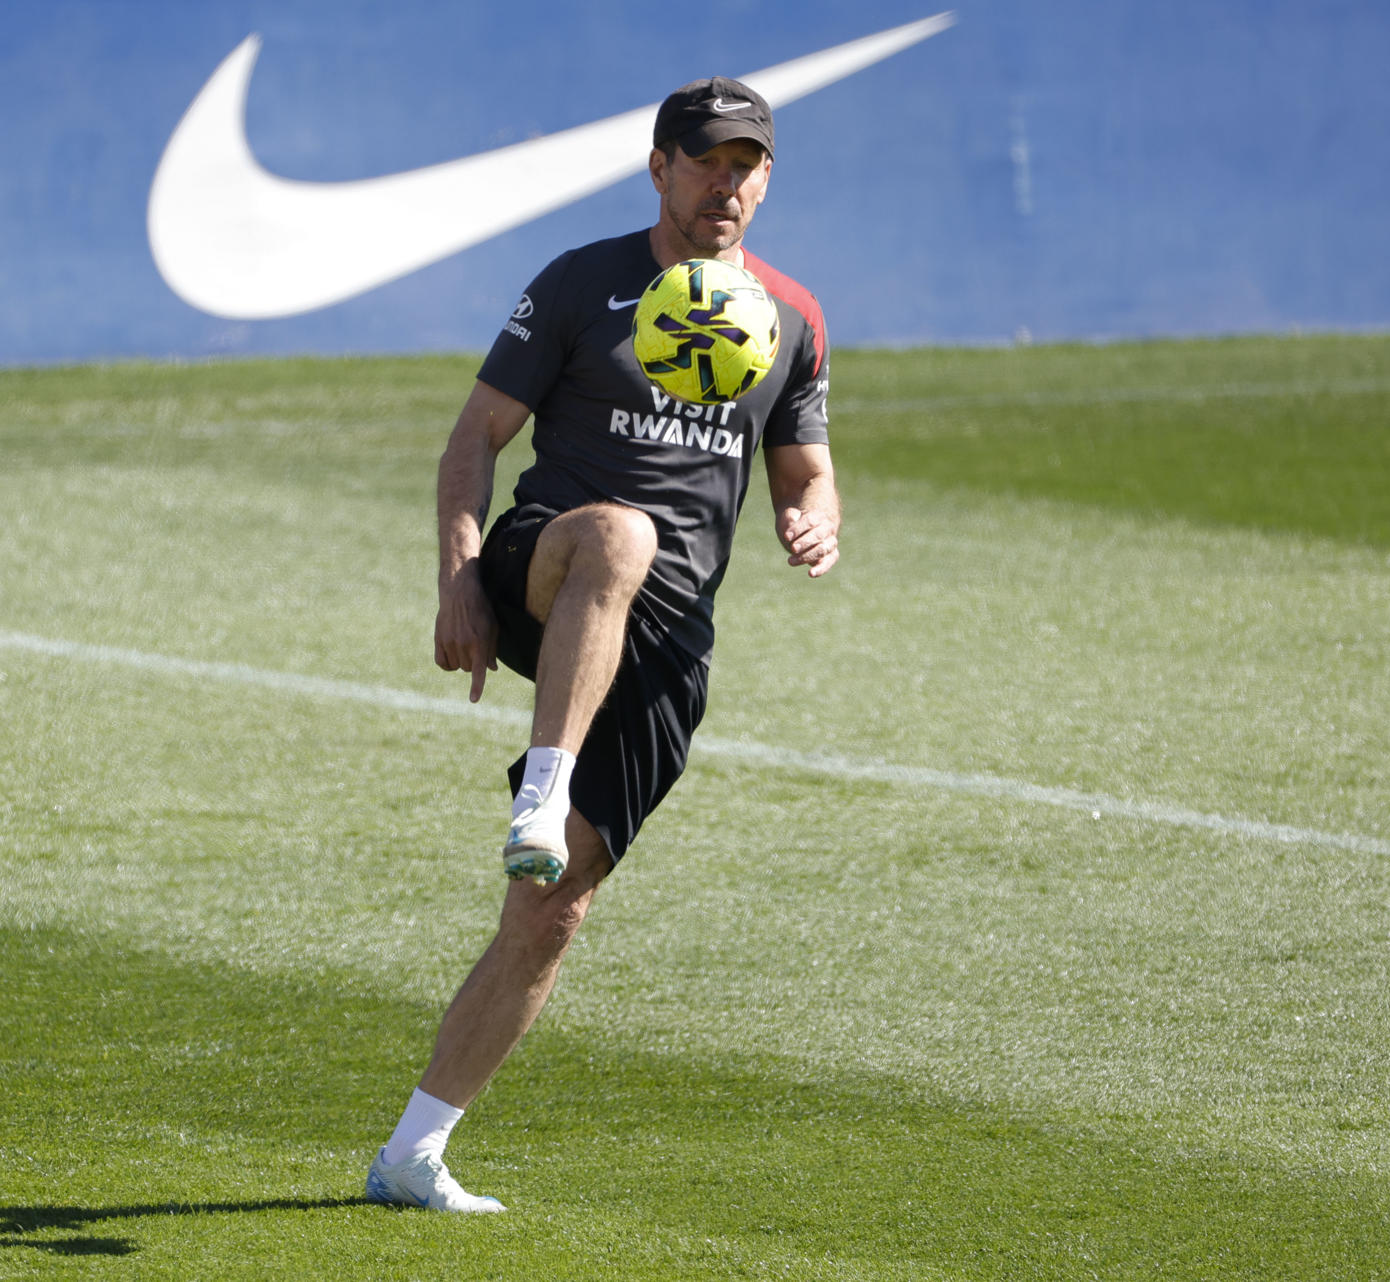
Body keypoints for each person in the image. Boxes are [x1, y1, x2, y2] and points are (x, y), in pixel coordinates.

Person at [365, 75, 840, 1212]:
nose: (728, 182)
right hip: (550, 556)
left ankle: (412, 1153)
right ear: (659, 167)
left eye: (748, 164)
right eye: (707, 160)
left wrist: (814, 512)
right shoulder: (583, 281)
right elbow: (473, 439)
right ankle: (544, 778)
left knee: (553, 907)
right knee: (620, 535)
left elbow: (806, 463)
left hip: (668, 636)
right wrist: (456, 580)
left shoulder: (791, 317)